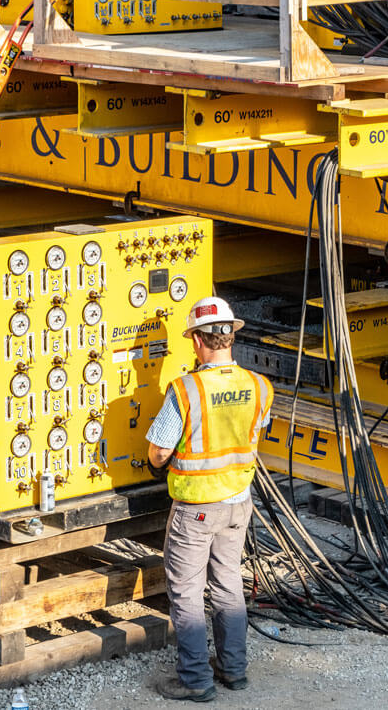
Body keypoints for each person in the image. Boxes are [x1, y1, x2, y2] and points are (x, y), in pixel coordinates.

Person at [146, 296, 274, 702]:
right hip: (239, 504)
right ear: (230, 336)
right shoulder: (259, 386)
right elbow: (256, 433)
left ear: (198, 342)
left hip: (196, 509)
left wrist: (159, 462)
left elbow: (159, 452)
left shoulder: (186, 389)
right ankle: (234, 671)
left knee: (186, 591)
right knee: (228, 584)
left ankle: (196, 680)